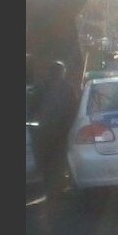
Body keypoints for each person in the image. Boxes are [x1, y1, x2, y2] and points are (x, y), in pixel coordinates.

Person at [30, 60, 78, 199]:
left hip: (45, 127)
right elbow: (74, 107)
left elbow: (33, 107)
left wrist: (37, 117)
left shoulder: (41, 86)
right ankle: (59, 185)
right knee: (59, 157)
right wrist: (70, 123)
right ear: (62, 73)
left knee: (46, 157)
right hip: (63, 128)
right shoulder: (68, 87)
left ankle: (49, 186)